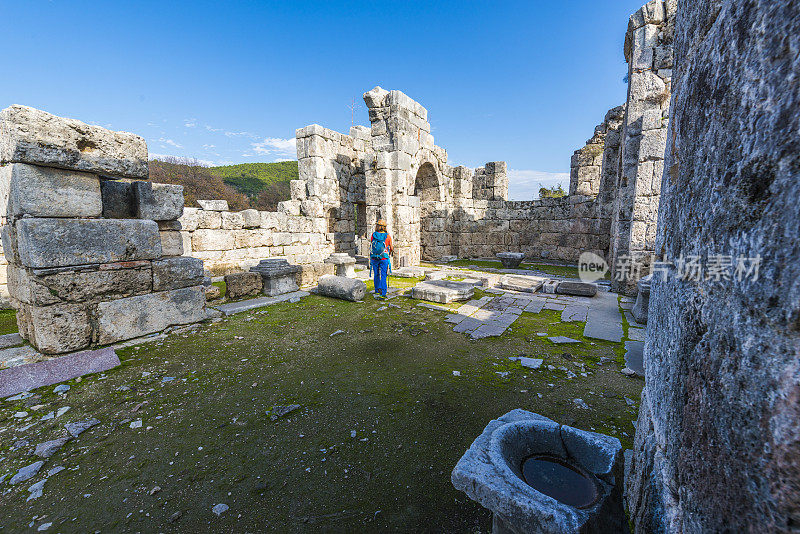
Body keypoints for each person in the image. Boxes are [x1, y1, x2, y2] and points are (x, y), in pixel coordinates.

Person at [370, 219, 393, 298]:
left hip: (374, 257)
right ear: (385, 227)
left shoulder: (373, 235)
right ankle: (383, 292)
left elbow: (372, 244)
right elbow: (391, 247)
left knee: (376, 274)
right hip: (384, 258)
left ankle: (376, 290)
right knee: (383, 275)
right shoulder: (387, 236)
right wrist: (390, 252)